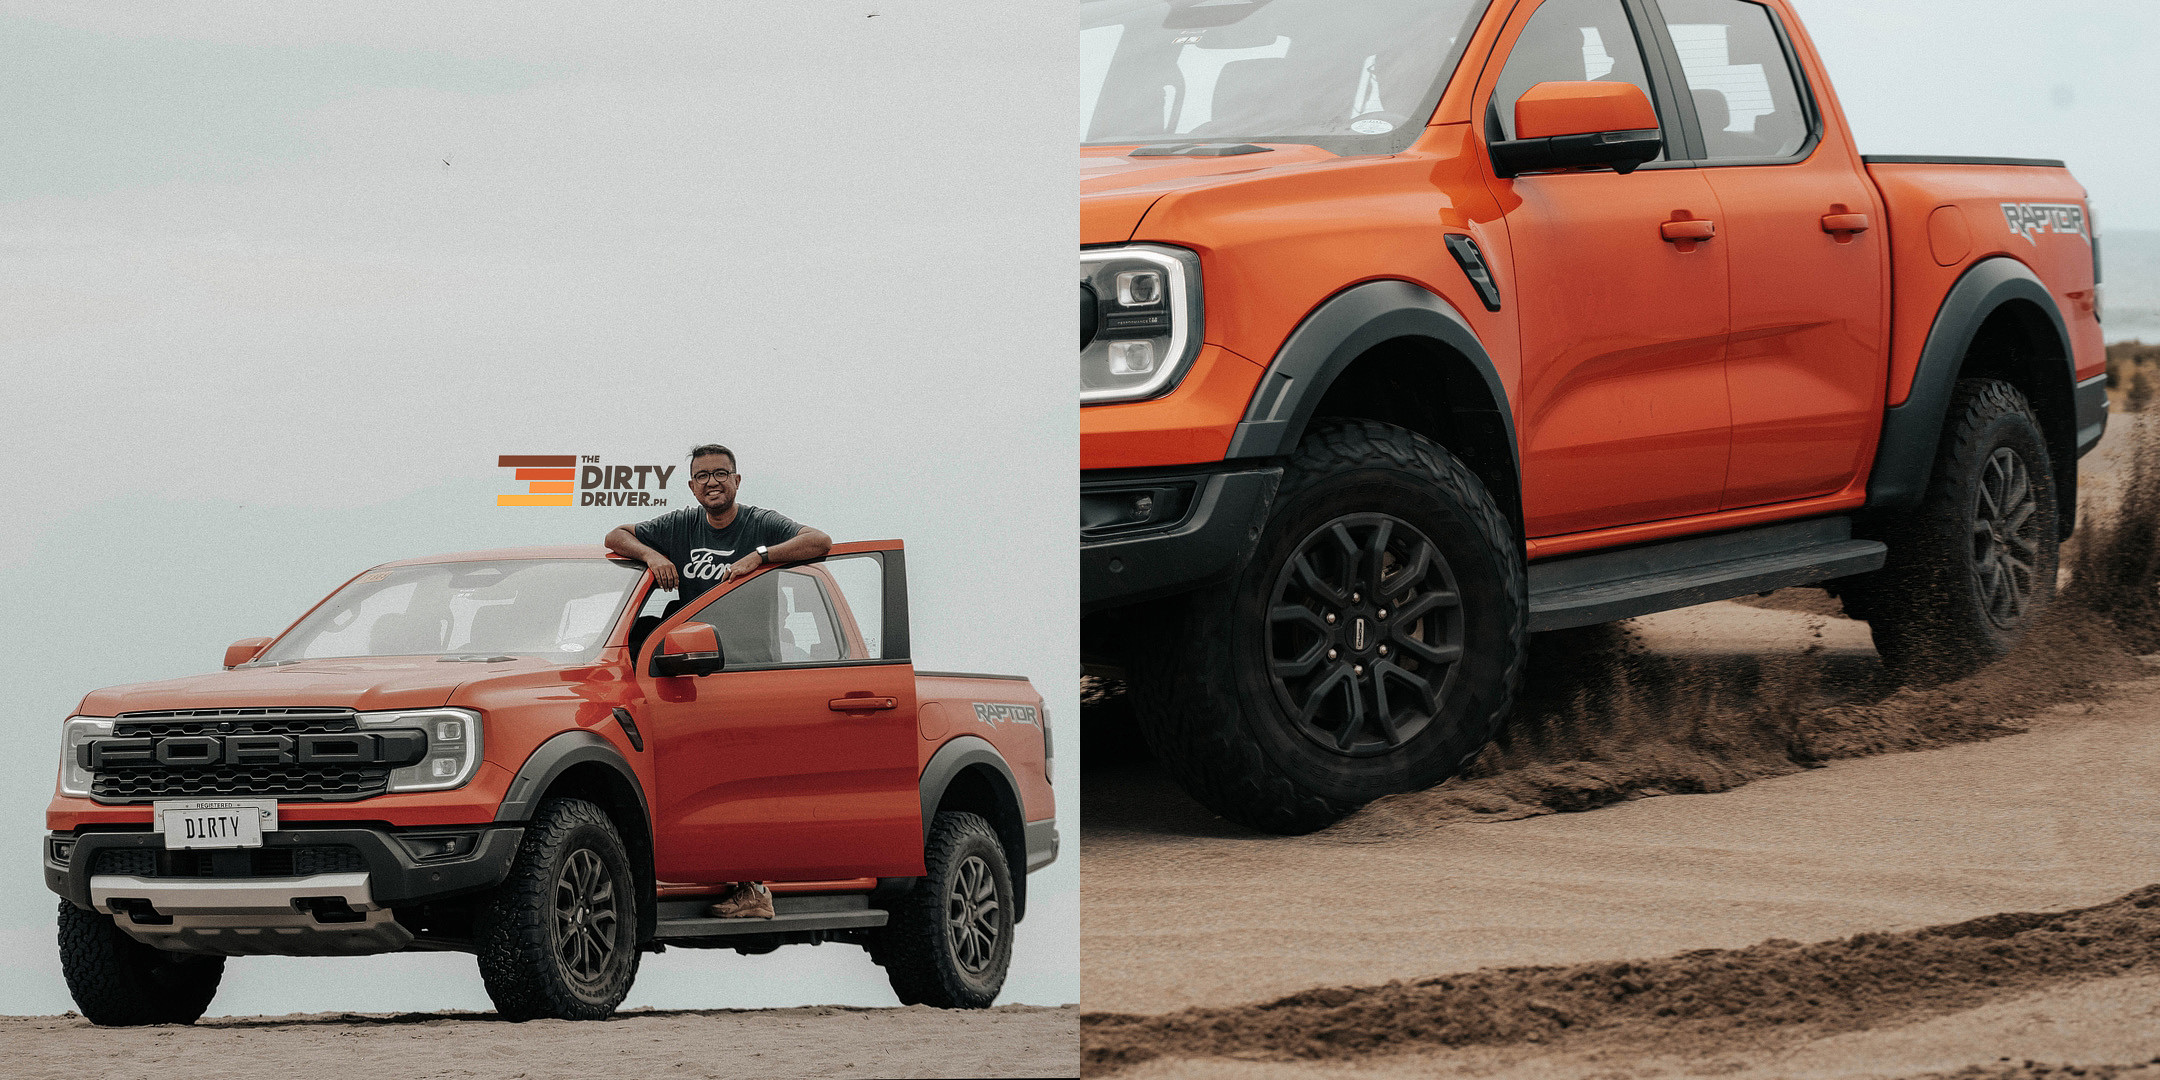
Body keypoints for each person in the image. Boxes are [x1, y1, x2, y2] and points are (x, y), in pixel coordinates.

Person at [603, 442, 831, 920]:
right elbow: (616, 533)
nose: (712, 482)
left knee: (740, 781)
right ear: (691, 485)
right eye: (703, 475)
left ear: (737, 481)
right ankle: (705, 869)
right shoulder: (680, 526)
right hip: (693, 671)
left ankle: (754, 887)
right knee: (702, 781)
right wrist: (651, 557)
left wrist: (760, 557)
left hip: (750, 672)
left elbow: (820, 542)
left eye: (721, 474)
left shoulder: (760, 524)